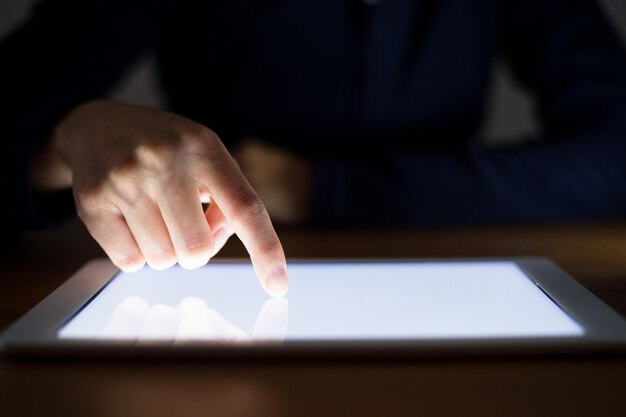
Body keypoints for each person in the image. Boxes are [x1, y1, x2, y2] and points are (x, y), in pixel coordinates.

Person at [1, 0, 626, 295]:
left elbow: (616, 154)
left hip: (441, 278)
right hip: (215, 281)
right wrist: (68, 134)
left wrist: (318, 187)